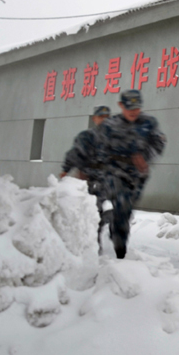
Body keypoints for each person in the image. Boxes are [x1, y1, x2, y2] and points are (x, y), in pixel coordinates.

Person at [96, 90, 166, 259]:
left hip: (137, 176)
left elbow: (159, 143)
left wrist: (145, 156)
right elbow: (98, 147)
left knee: (125, 211)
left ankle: (114, 225)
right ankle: (121, 251)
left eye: (137, 107)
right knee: (121, 201)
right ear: (121, 106)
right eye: (129, 108)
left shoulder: (149, 123)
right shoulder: (110, 125)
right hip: (114, 172)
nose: (133, 111)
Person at [60, 105, 111, 250]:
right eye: (101, 117)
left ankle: (103, 237)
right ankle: (91, 242)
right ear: (95, 119)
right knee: (91, 209)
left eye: (107, 118)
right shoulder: (87, 137)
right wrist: (65, 170)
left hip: (107, 180)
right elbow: (74, 154)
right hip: (88, 179)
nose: (104, 120)